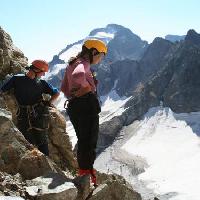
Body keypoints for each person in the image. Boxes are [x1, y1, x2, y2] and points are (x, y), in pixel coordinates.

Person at [61, 39, 107, 186]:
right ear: (93, 52)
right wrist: (87, 88)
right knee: (90, 141)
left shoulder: (72, 63)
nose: (100, 59)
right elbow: (78, 76)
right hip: (86, 106)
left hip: (75, 106)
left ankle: (83, 171)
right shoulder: (83, 64)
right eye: (100, 55)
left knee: (83, 141)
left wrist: (76, 93)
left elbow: (64, 88)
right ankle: (88, 175)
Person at [0, 60, 60, 156]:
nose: (43, 75)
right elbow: (2, 90)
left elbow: (56, 93)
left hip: (38, 113)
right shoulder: (17, 79)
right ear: (35, 70)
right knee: (27, 140)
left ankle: (46, 164)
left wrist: (48, 102)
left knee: (42, 140)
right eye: (42, 72)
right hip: (26, 114)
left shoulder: (41, 83)